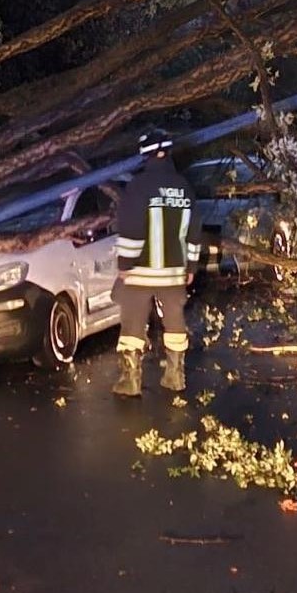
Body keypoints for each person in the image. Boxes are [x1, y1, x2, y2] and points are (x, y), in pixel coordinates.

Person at [111, 128, 198, 398]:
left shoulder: (138, 187)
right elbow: (193, 231)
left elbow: (131, 228)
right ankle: (175, 376)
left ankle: (130, 380)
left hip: (141, 272)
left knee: (133, 324)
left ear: (145, 155)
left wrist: (125, 265)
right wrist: (191, 267)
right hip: (173, 273)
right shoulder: (184, 187)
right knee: (174, 321)